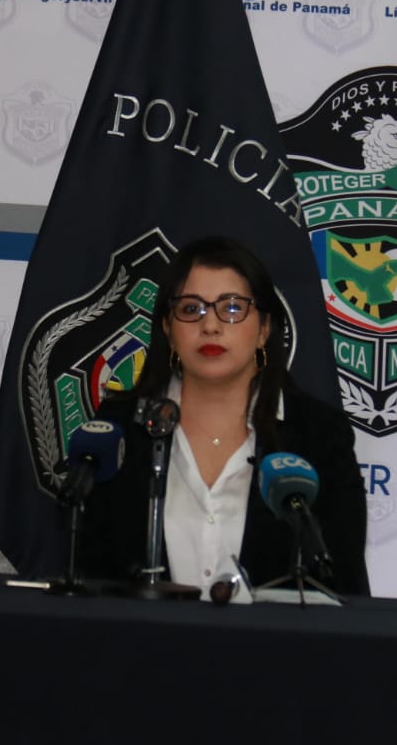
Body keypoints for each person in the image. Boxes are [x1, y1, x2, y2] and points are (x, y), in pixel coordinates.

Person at [78, 236, 369, 596]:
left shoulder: (319, 434)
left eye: (232, 308)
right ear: (168, 329)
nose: (211, 326)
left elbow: (343, 581)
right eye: (191, 309)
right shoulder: (121, 427)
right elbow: (90, 574)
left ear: (264, 329)